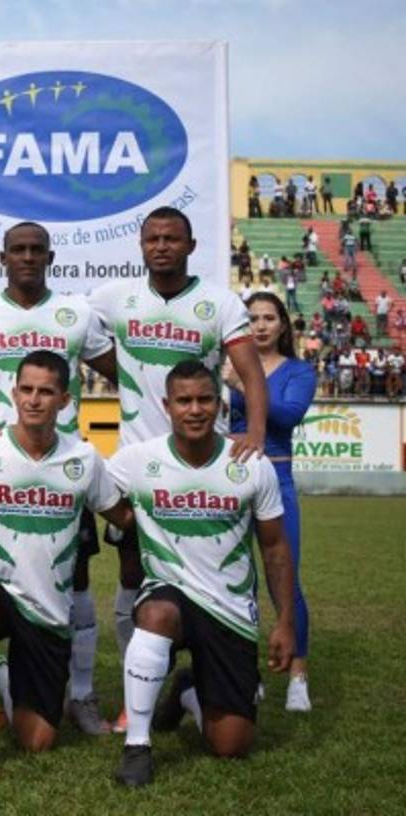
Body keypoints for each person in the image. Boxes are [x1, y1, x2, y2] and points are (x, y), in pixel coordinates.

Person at [87, 206, 268, 732]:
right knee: (132, 577)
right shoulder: (114, 299)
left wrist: (255, 433)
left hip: (205, 465)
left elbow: (251, 373)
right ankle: (137, 690)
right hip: (139, 467)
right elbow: (59, 321)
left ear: (190, 246)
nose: (161, 246)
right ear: (141, 247)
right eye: (152, 239)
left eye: (171, 238)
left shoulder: (218, 302)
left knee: (224, 563)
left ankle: (223, 663)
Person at [0, 221, 119, 736]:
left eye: (37, 249)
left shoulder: (76, 314)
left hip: (61, 471)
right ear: (3, 257)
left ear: (51, 256)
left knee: (76, 581)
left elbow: (129, 374)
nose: (28, 257)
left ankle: (80, 693)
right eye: (18, 249)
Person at [0, 351, 135, 783]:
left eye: (45, 391)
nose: (33, 399)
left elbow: (123, 516)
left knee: (38, 740)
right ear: (13, 393)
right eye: (26, 389)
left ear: (64, 400)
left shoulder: (83, 460)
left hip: (47, 612)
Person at [109, 361, 295, 787]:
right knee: (156, 613)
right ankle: (138, 746)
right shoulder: (136, 460)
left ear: (219, 404)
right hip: (168, 593)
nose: (195, 410)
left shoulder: (250, 464)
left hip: (228, 608)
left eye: (205, 399)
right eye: (184, 400)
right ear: (167, 406)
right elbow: (78, 479)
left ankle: (188, 692)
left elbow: (274, 547)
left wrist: (284, 621)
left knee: (232, 744)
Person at [224, 293, 317, 711]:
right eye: (252, 318)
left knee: (287, 581)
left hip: (276, 477)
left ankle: (298, 674)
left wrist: (240, 383)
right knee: (238, 582)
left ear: (282, 325)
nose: (260, 326)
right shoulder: (223, 363)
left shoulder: (298, 370)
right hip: (231, 480)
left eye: (268, 318)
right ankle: (247, 673)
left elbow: (286, 416)